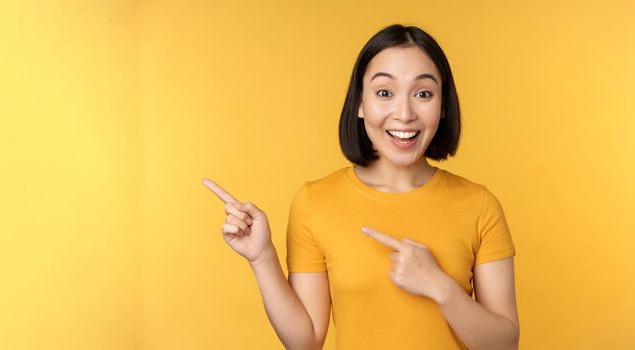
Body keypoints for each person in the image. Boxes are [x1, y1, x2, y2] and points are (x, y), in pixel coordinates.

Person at [202, 24, 519, 350]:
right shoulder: (316, 202)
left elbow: (504, 345)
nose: (405, 113)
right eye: (385, 93)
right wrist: (262, 258)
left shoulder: (479, 205)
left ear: (443, 107)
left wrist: (440, 287)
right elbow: (305, 342)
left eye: (423, 93)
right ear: (360, 104)